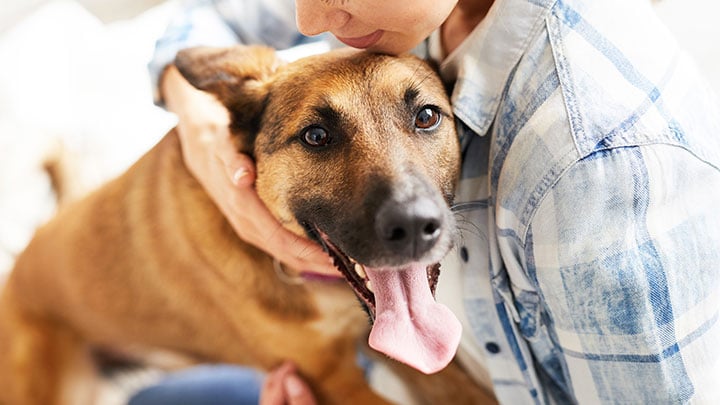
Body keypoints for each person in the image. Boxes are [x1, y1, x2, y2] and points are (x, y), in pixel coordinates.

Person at [143, 0, 720, 403]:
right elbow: (203, 20)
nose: (309, 22)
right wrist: (201, 127)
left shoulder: (591, 169)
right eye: (318, 137)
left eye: (424, 118)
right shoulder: (397, 18)